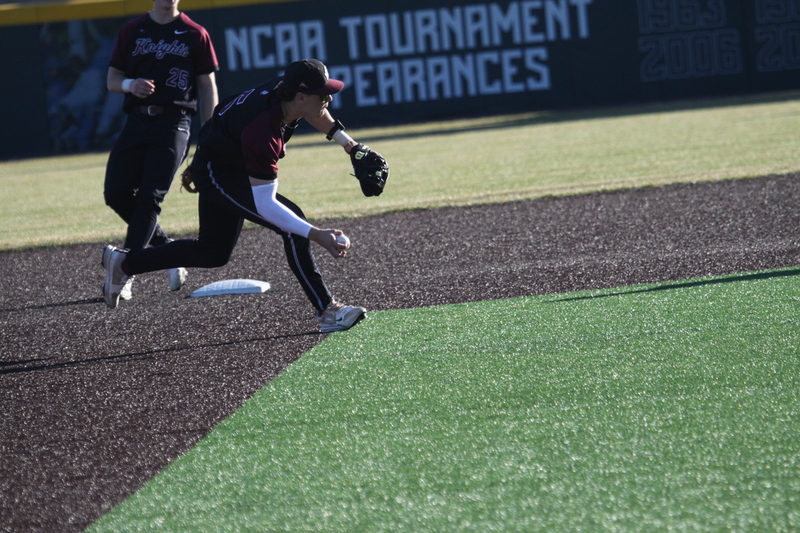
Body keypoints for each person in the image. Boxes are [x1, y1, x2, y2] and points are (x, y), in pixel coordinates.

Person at [102, 59, 387, 332]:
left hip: (222, 160)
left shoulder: (285, 90)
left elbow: (315, 110)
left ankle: (125, 263)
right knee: (294, 227)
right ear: (300, 97)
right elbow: (266, 204)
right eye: (322, 94)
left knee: (212, 252)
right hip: (221, 172)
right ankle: (328, 310)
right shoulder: (263, 131)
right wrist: (316, 233)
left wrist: (350, 146)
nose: (329, 100)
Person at [102, 0, 219, 300]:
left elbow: (206, 86)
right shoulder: (133, 29)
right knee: (115, 193)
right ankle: (168, 252)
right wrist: (130, 84)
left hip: (174, 123)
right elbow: (112, 79)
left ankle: (126, 269)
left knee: (149, 198)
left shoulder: (195, 33)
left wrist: (209, 135)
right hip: (137, 120)